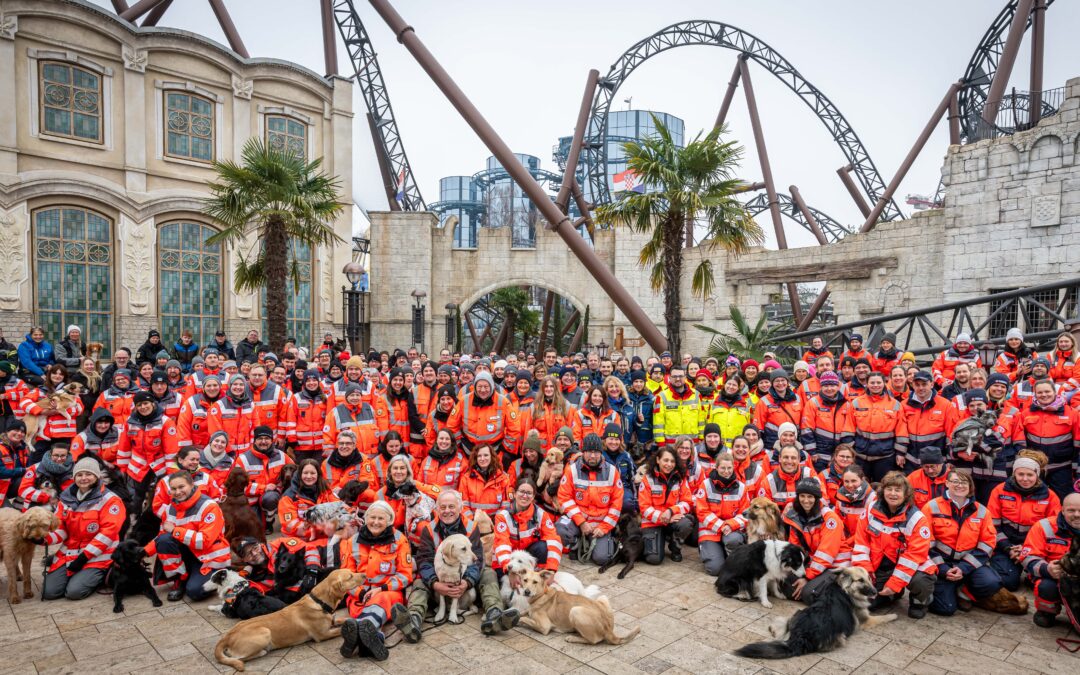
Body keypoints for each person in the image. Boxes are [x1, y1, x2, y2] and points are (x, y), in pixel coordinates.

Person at [395, 489, 519, 643]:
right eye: (443, 507)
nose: (447, 511)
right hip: (439, 580)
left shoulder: (471, 527)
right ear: (437, 509)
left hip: (462, 579)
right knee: (420, 581)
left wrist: (466, 582)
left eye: (452, 507)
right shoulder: (428, 529)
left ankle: (495, 614)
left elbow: (478, 559)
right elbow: (424, 561)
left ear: (460, 508)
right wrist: (435, 583)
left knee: (488, 573)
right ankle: (413, 620)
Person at [851, 471, 936, 618]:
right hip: (880, 567)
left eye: (898, 490)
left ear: (906, 494)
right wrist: (866, 572)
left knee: (922, 580)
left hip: (910, 566)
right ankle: (892, 595)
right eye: (889, 489)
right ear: (883, 491)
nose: (893, 494)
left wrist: (894, 583)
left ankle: (919, 601)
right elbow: (861, 543)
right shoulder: (871, 509)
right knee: (865, 604)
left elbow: (914, 555)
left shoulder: (916, 518)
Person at [338, 500, 413, 661]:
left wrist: (381, 589)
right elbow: (346, 578)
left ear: (389, 521)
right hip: (360, 597)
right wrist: (361, 593)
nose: (376, 522)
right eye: (372, 517)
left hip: (388, 593)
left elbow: (405, 575)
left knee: (379, 601)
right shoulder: (351, 542)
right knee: (366, 615)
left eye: (381, 519)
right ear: (365, 518)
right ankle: (374, 637)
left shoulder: (400, 540)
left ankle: (358, 637)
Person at [42, 457, 125, 600]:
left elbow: (108, 534)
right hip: (70, 552)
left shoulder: (111, 500)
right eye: (79, 475)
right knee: (49, 593)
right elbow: (60, 528)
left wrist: (84, 557)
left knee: (73, 593)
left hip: (99, 555)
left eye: (88, 474)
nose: (83, 478)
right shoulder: (66, 498)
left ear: (97, 476)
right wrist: (43, 538)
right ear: (74, 477)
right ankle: (78, 576)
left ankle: (102, 575)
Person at [922, 470, 1002, 616]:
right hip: (941, 564)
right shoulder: (931, 507)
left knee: (991, 582)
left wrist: (963, 568)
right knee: (945, 609)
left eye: (964, 482)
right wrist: (943, 569)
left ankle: (964, 589)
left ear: (970, 486)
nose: (960, 485)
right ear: (946, 484)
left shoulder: (982, 511)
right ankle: (947, 587)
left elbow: (987, 544)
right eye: (955, 481)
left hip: (968, 565)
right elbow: (925, 543)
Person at [985, 451, 1060, 594]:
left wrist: (1026, 549)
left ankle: (1031, 576)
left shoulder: (1051, 497)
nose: (1025, 479)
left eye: (1030, 475)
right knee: (1008, 583)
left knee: (1044, 584)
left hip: (1036, 549)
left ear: (1037, 475)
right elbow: (992, 526)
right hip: (1006, 547)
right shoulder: (999, 491)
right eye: (1020, 474)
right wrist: (1008, 548)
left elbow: (1054, 532)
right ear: (1014, 474)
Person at [555, 433, 622, 566]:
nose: (592, 456)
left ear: (601, 453)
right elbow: (564, 497)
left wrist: (604, 527)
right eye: (589, 452)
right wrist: (581, 523)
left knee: (602, 559)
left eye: (596, 452)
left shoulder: (612, 472)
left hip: (601, 524)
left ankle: (597, 541)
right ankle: (577, 542)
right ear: (583, 452)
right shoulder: (572, 470)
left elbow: (617, 504)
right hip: (579, 522)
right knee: (559, 529)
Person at [781, 478, 848, 602]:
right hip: (815, 564)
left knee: (808, 594)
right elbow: (794, 549)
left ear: (817, 498)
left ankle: (837, 595)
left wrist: (807, 577)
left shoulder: (829, 518)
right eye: (802, 496)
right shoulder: (795, 516)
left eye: (810, 497)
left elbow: (826, 554)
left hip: (835, 565)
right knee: (783, 580)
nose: (806, 500)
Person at [1011, 378, 1080, 498]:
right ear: (1035, 394)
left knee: (1062, 500)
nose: (1044, 395)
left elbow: (1078, 442)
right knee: (1034, 500)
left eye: (1047, 391)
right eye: (1040, 392)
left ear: (1055, 392)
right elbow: (1019, 440)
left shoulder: (1072, 414)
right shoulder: (1025, 414)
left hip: (1062, 468)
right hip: (1035, 468)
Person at [1021, 491, 1080, 628]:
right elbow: (1027, 557)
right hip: (1053, 577)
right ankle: (1047, 612)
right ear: (1062, 510)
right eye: (1071, 510)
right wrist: (1046, 569)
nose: (1077, 515)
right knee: (1046, 586)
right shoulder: (1043, 526)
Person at [844, 372, 906, 482]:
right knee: (859, 487)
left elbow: (902, 431)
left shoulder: (895, 405)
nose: (875, 385)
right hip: (860, 456)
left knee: (883, 488)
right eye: (872, 382)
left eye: (878, 382)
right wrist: (851, 451)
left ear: (884, 383)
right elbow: (848, 429)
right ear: (867, 384)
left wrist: (900, 453)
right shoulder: (856, 403)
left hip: (885, 457)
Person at [694, 452, 749, 575]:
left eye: (729, 468)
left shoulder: (741, 487)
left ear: (733, 467)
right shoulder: (706, 485)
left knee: (733, 541)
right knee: (715, 569)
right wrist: (722, 526)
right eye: (723, 468)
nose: (726, 471)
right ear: (716, 467)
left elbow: (745, 514)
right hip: (710, 531)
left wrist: (730, 524)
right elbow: (702, 511)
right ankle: (708, 549)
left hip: (731, 531)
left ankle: (726, 552)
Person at [638, 445, 694, 564]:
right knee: (654, 559)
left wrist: (671, 511)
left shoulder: (680, 478)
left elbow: (688, 502)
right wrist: (665, 518)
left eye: (672, 461)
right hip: (652, 522)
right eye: (665, 460)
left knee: (686, 523)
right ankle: (659, 539)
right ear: (658, 460)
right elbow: (644, 508)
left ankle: (675, 547)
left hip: (672, 518)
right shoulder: (647, 478)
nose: (669, 464)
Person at [898, 371, 955, 473]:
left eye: (924, 384)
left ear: (932, 384)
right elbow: (901, 432)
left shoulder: (945, 405)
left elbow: (950, 433)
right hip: (911, 460)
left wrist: (950, 458)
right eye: (917, 384)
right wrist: (900, 453)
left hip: (936, 460)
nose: (920, 388)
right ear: (912, 385)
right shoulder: (903, 405)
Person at [235, 425, 294, 526]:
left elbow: (296, 473)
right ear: (254, 441)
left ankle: (269, 521)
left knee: (270, 497)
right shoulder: (242, 459)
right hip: (251, 500)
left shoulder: (282, 456)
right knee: (253, 527)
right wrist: (263, 488)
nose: (263, 441)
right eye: (260, 439)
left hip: (272, 497)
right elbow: (238, 485)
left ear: (272, 440)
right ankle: (262, 520)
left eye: (267, 438)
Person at [799, 371, 850, 471]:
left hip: (840, 455)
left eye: (832, 385)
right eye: (826, 385)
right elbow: (807, 428)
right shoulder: (813, 403)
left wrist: (845, 452)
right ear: (821, 387)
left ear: (837, 386)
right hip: (819, 455)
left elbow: (849, 430)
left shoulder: (846, 404)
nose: (829, 389)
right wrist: (812, 452)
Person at [151, 447, 222, 518]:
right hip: (174, 525)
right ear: (180, 460)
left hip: (201, 523)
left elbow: (215, 500)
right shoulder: (166, 481)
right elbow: (158, 506)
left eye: (197, 460)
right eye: (192, 459)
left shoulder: (206, 478)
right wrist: (175, 517)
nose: (195, 462)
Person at [525, 375, 581, 454]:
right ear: (542, 388)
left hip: (560, 453)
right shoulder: (534, 407)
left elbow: (572, 430)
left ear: (556, 388)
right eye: (546, 386)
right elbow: (528, 432)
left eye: (551, 386)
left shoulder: (565, 405)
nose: (549, 389)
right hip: (541, 454)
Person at [756, 445, 821, 510]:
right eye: (786, 457)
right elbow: (763, 511)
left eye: (793, 458)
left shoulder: (809, 474)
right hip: (779, 519)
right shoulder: (768, 481)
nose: (789, 461)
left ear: (799, 459)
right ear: (779, 459)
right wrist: (782, 516)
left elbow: (822, 499)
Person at [652, 365, 704, 448]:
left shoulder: (696, 395)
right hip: (671, 446)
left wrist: (702, 439)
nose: (678, 379)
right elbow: (658, 424)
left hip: (693, 445)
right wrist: (661, 445)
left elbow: (701, 421)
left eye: (680, 376)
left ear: (685, 377)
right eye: (675, 376)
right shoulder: (661, 397)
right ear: (670, 378)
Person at [284, 368, 329, 462]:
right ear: (304, 383)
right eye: (308, 381)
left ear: (318, 381)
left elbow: (329, 421)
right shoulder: (296, 398)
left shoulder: (325, 398)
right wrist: (292, 440)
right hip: (301, 446)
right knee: (303, 473)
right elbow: (291, 420)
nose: (311, 383)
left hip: (321, 446)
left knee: (318, 472)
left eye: (314, 380)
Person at [752, 369, 803, 450]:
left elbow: (803, 422)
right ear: (772, 383)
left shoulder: (797, 398)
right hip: (771, 445)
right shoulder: (764, 401)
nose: (780, 383)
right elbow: (758, 428)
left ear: (787, 382)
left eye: (783, 380)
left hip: (793, 442)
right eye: (777, 381)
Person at [457, 444, 511, 519]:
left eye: (486, 455)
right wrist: (472, 521)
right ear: (475, 458)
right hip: (473, 522)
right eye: (479, 456)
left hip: (496, 523)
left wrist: (496, 521)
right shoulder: (466, 478)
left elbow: (506, 504)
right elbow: (463, 505)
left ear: (491, 457)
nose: (482, 458)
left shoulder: (503, 478)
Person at [207, 375, 256, 456]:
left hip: (246, 452)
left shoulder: (251, 405)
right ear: (230, 386)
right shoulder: (218, 406)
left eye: (241, 384)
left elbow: (255, 428)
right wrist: (228, 450)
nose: (238, 387)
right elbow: (215, 431)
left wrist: (252, 448)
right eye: (235, 384)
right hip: (224, 452)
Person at [20, 442, 75, 510]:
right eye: (56, 455)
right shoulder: (36, 468)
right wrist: (47, 498)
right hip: (34, 508)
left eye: (63, 455)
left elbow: (72, 493)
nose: (59, 459)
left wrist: (59, 500)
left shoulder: (74, 471)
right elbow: (24, 490)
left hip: (60, 508)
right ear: (50, 454)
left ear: (68, 455)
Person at [709, 375, 752, 449]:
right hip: (718, 446)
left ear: (738, 387)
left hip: (737, 448)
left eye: (734, 385)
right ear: (724, 384)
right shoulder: (714, 402)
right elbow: (709, 424)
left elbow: (748, 426)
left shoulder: (745, 404)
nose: (731, 387)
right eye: (729, 384)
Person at [0, 419, 30, 507]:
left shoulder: (23, 449)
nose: (19, 433)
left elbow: (29, 469)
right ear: (7, 431)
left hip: (9, 487)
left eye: (22, 432)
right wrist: (22, 470)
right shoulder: (1, 448)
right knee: (7, 517)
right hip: (1, 489)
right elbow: (1, 472)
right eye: (16, 430)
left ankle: (19, 506)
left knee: (30, 478)